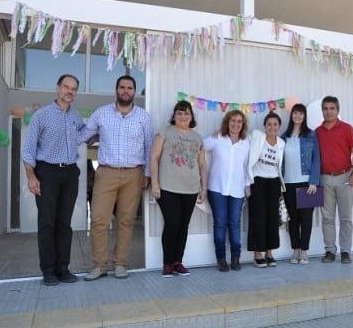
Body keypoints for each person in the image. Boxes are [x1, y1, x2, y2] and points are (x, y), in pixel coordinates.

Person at [80, 75, 154, 281]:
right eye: (122, 87)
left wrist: (147, 174)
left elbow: (149, 147)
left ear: (134, 91)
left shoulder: (143, 117)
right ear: (116, 90)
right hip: (106, 172)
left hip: (134, 173)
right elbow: (83, 135)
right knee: (98, 220)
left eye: (130, 88)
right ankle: (99, 265)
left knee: (126, 221)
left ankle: (121, 263)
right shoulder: (101, 113)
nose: (125, 91)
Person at [22, 74, 84, 286]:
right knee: (47, 223)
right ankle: (48, 271)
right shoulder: (42, 115)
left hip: (70, 173)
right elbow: (29, 149)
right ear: (57, 89)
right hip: (47, 172)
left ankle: (63, 268)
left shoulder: (76, 117)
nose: (70, 91)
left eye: (74, 88)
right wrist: (31, 176)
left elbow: (87, 136)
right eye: (66, 87)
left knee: (64, 224)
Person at [150, 101, 207, 277]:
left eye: (186, 113)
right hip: (167, 187)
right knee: (172, 223)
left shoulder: (197, 137)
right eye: (179, 113)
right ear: (174, 116)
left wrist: (203, 187)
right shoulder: (165, 131)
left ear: (192, 117)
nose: (183, 116)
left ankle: (178, 262)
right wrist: (155, 183)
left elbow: (202, 165)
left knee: (183, 226)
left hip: (190, 189)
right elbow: (154, 157)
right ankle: (167, 263)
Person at [315, 95, 353, 264]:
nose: (329, 112)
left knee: (346, 217)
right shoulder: (317, 132)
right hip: (324, 178)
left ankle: (346, 251)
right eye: (325, 108)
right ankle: (330, 251)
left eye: (332, 108)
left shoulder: (347, 128)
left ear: (338, 110)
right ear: (322, 111)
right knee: (327, 218)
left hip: (344, 177)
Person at [204, 110, 251, 272]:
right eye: (233, 121)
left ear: (242, 125)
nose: (236, 124)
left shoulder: (246, 144)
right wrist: (212, 134)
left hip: (237, 189)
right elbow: (200, 146)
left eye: (239, 121)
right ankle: (221, 259)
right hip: (217, 188)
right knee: (220, 223)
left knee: (235, 223)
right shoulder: (218, 139)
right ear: (227, 122)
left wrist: (247, 185)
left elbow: (246, 167)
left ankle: (236, 258)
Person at [281, 103, 320, 265]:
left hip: (306, 183)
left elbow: (317, 159)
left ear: (304, 117)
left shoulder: (311, 135)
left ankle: (304, 251)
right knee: (293, 219)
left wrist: (314, 181)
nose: (298, 116)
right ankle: (295, 250)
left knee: (306, 219)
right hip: (288, 183)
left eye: (301, 114)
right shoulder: (283, 137)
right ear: (292, 116)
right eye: (295, 113)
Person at [247, 112, 285, 268]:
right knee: (258, 217)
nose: (272, 127)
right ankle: (258, 253)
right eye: (269, 124)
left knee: (272, 218)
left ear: (279, 126)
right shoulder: (256, 137)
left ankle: (269, 252)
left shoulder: (281, 143)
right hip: (258, 182)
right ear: (264, 126)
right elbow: (240, 139)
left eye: (275, 124)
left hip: (274, 182)